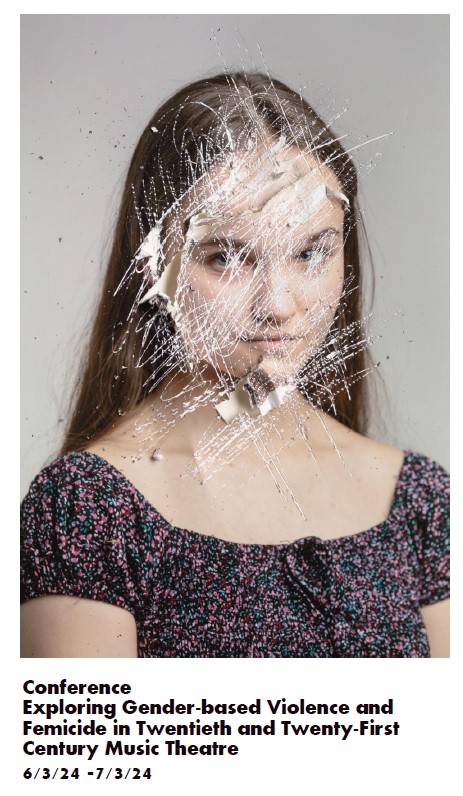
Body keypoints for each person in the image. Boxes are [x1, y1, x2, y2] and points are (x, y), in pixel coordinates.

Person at [20, 72, 449, 658]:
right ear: (154, 265)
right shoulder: (89, 511)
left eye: (311, 251)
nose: (277, 304)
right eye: (226, 256)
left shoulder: (420, 502)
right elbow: (86, 747)